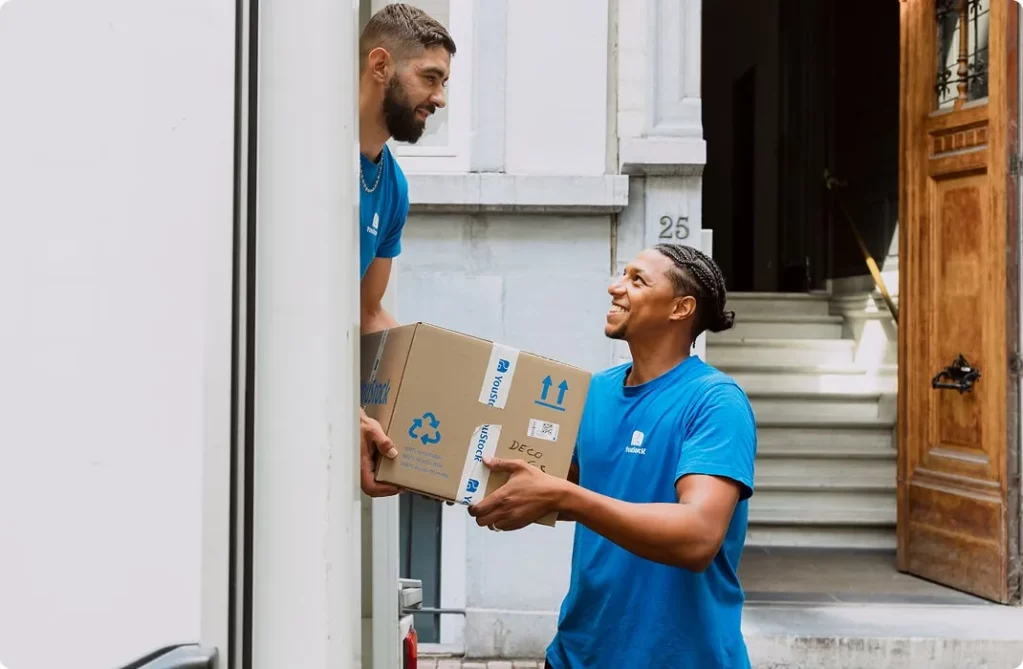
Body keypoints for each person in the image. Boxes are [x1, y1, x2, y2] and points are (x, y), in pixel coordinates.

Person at [468, 244, 758, 669]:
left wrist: (565, 497)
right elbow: (568, 489)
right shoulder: (596, 392)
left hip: (679, 659)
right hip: (578, 653)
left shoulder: (715, 402)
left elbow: (698, 537)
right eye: (622, 274)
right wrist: (457, 474)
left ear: (681, 308)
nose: (614, 287)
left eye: (637, 280)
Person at [356, 4, 457, 497]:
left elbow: (368, 311)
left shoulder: (391, 183)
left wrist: (444, 422)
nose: (439, 98)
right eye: (430, 78)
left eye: (443, 83)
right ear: (380, 66)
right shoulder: (311, 155)